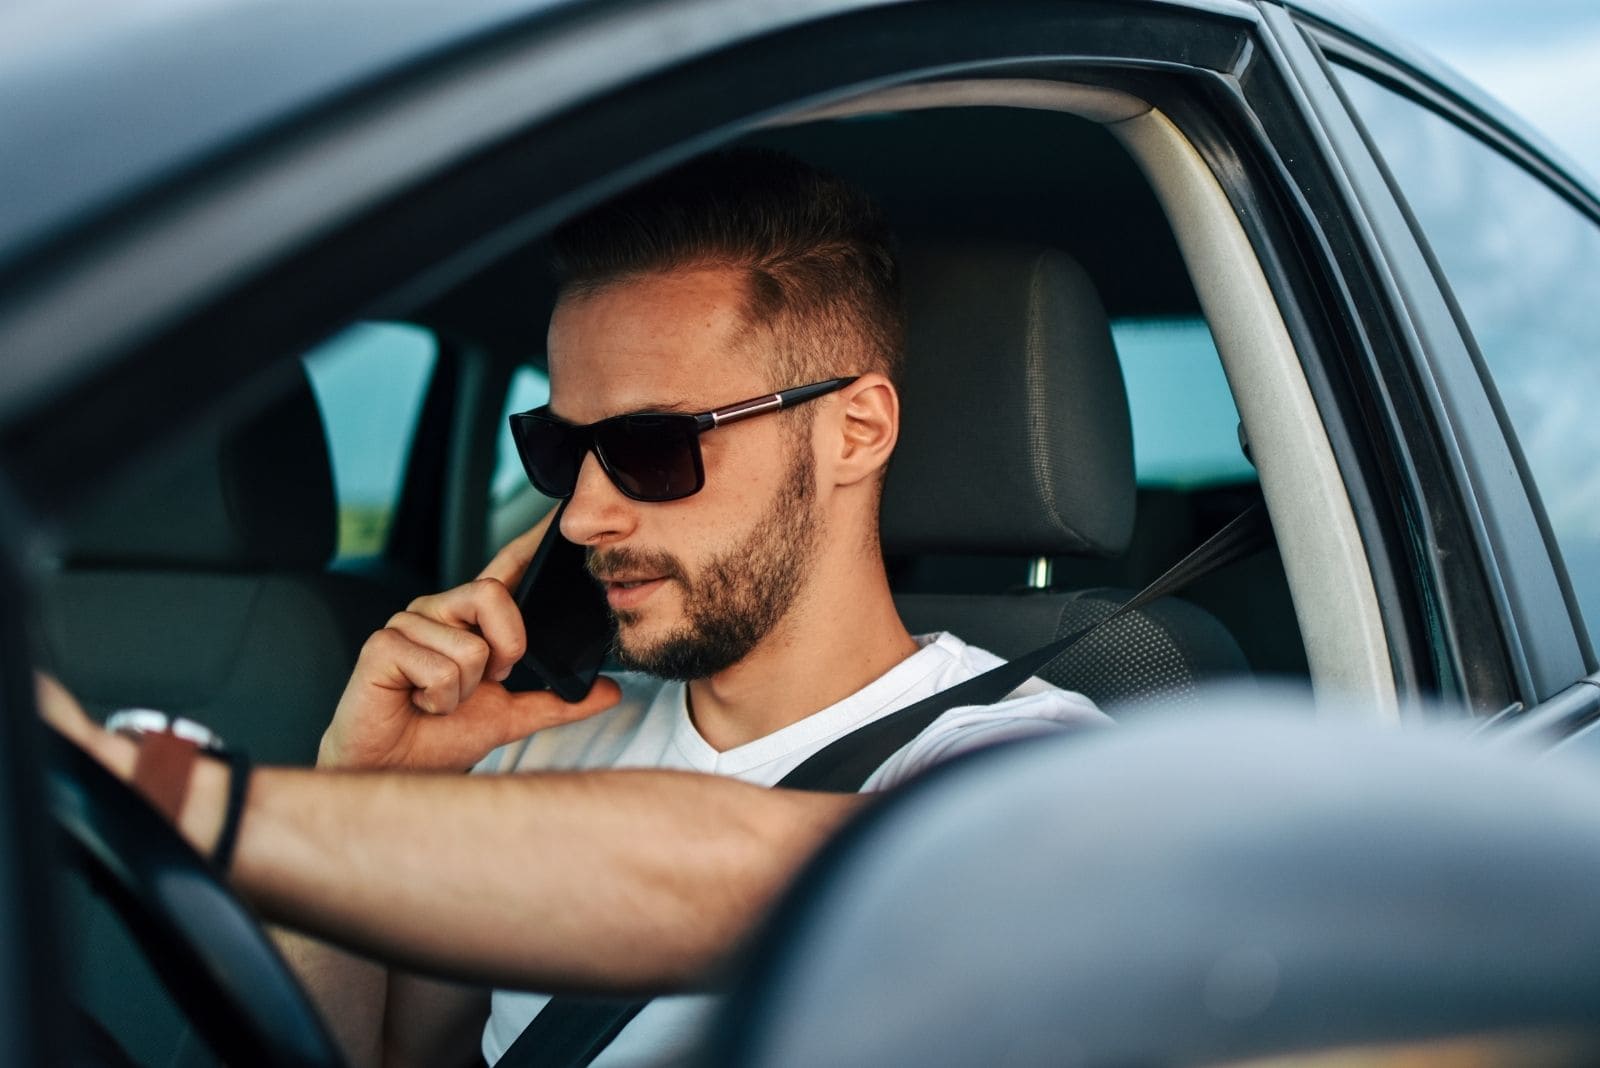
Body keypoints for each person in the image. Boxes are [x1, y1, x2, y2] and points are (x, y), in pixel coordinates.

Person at [40, 148, 1108, 1067]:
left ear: (856, 431)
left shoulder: (1025, 765)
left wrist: (167, 790)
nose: (585, 511)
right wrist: (365, 778)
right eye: (561, 448)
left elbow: (748, 876)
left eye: (649, 447)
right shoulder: (548, 739)